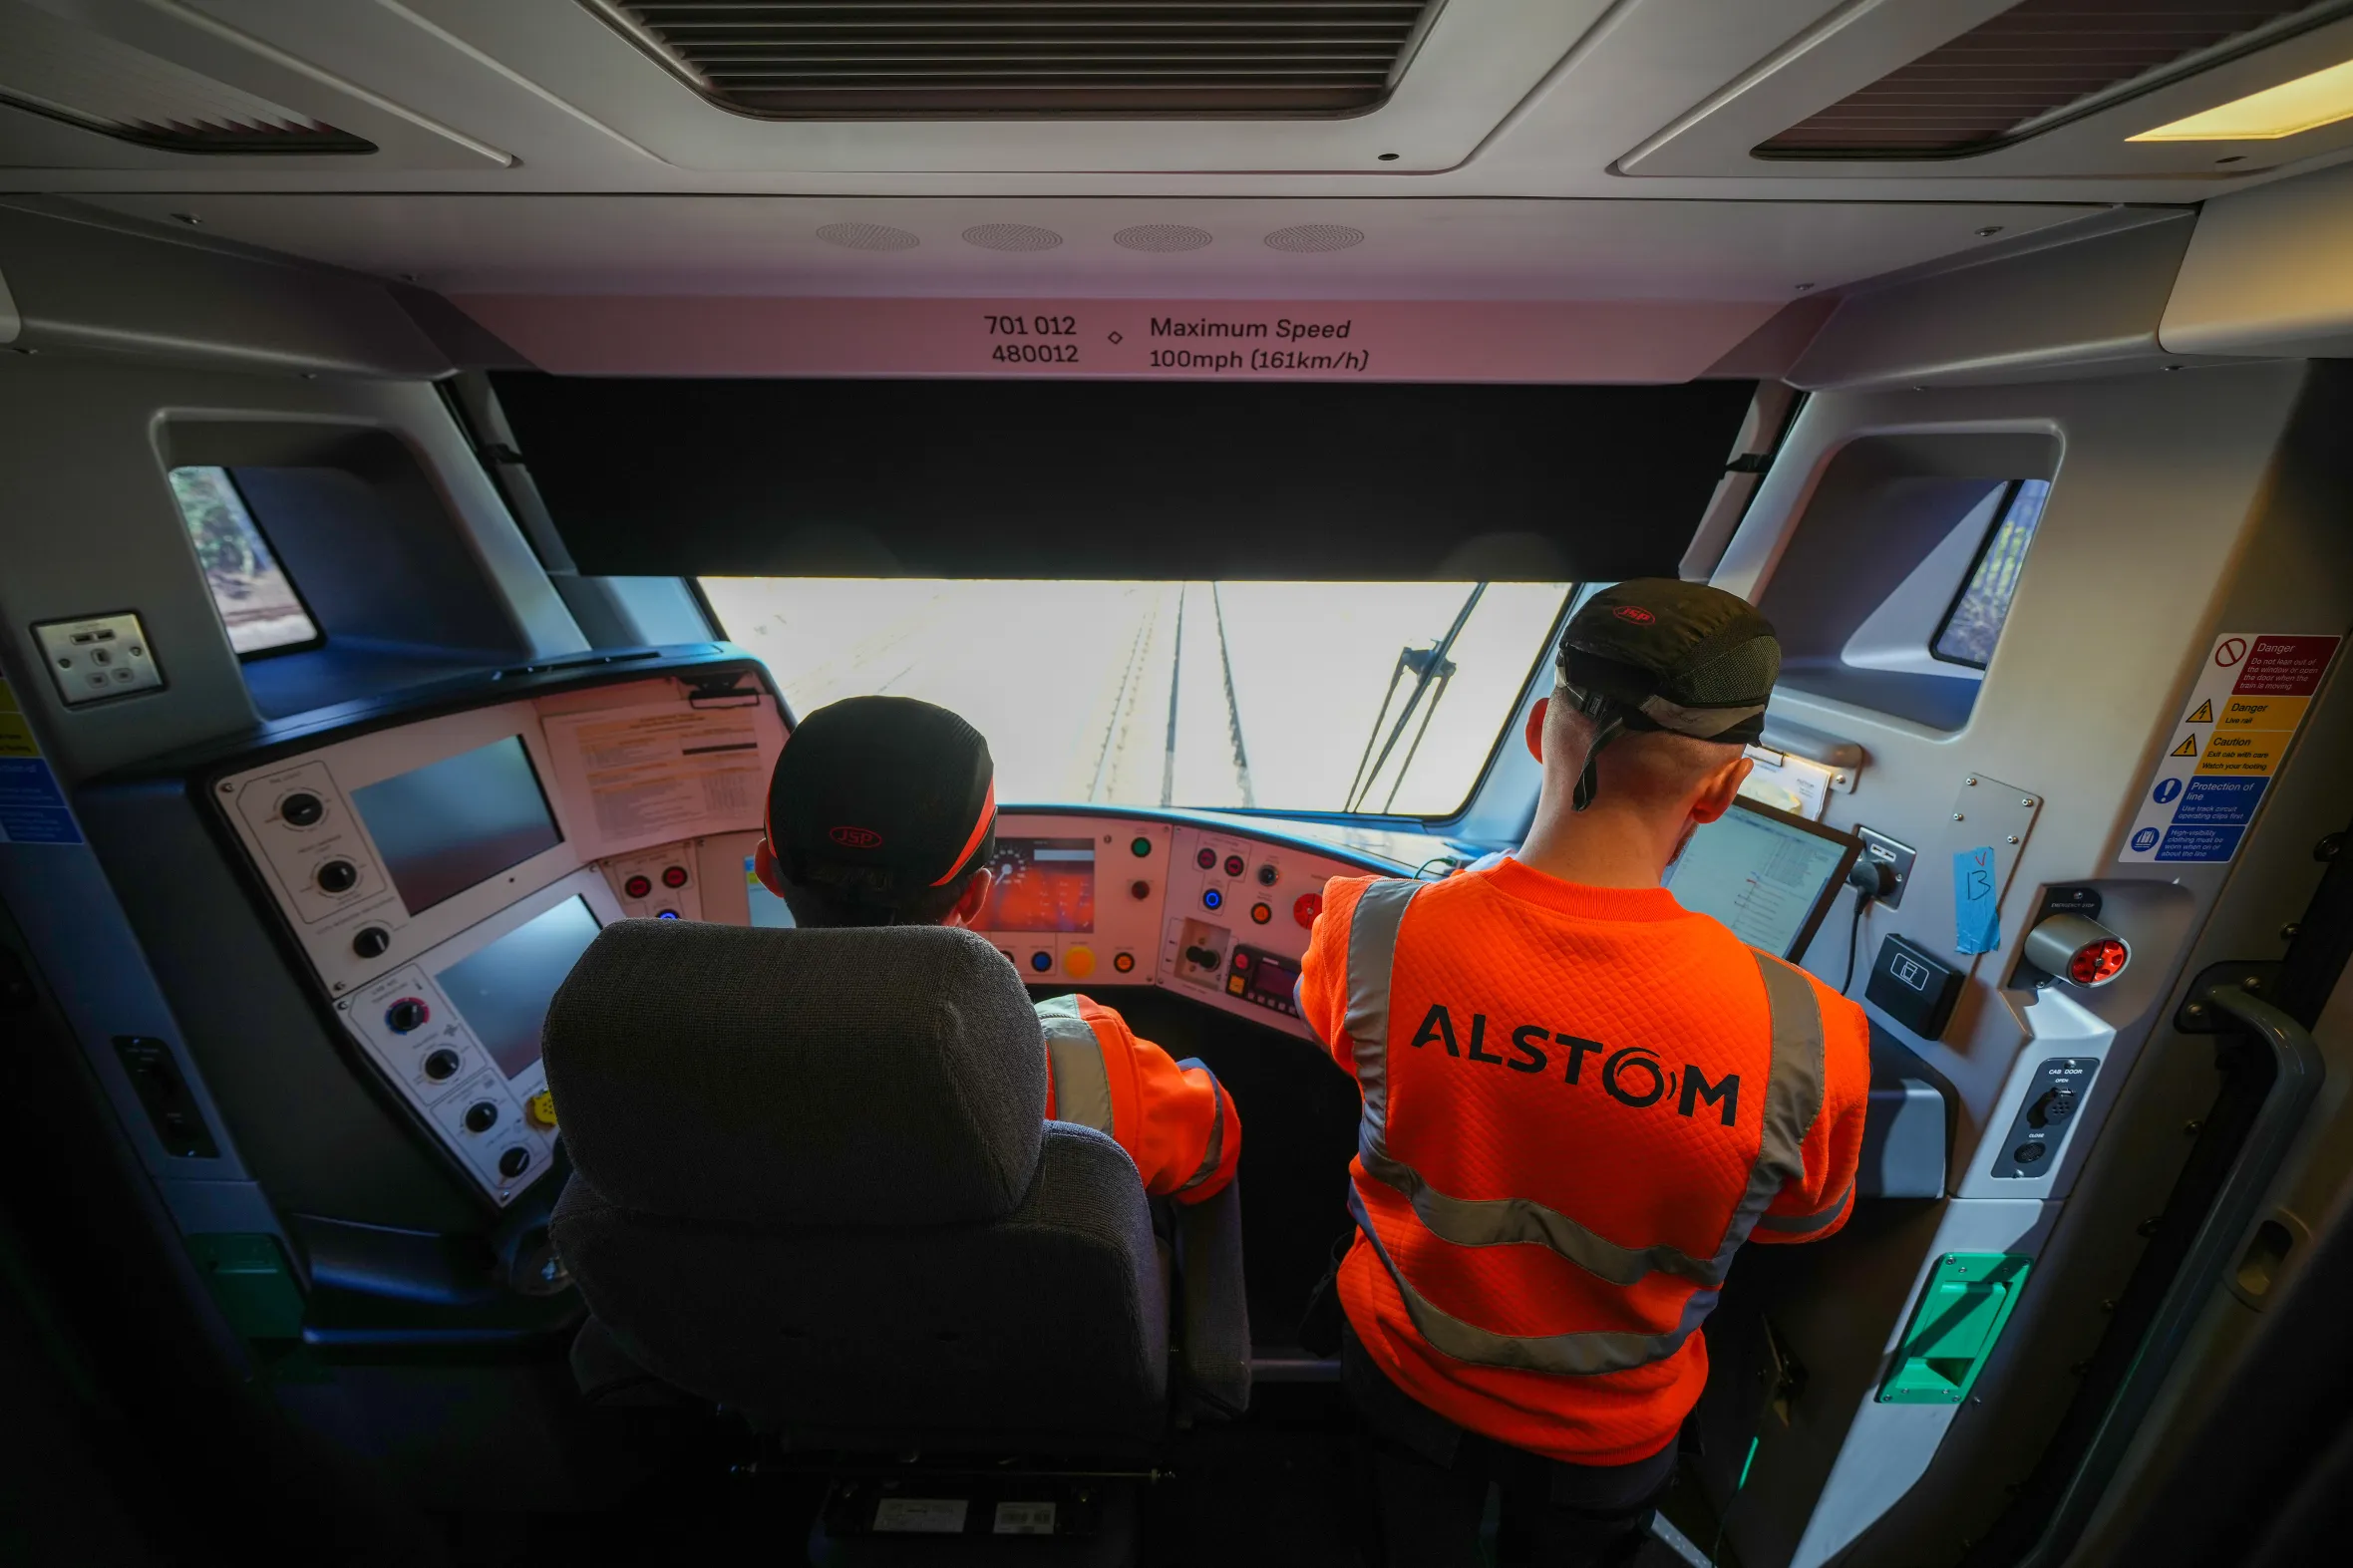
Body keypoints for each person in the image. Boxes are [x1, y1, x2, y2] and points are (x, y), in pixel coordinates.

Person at [1297, 580, 1869, 1566]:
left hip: (1402, 1367)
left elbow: (1357, 1059)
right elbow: (1789, 1218)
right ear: (1724, 788)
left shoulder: (1369, 930)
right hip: (1604, 1440)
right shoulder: (1813, 1037)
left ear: (1535, 731)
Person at [754, 694, 1239, 1205]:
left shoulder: (687, 1043)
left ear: (768, 870)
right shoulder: (1084, 1065)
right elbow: (1215, 1147)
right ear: (976, 895)